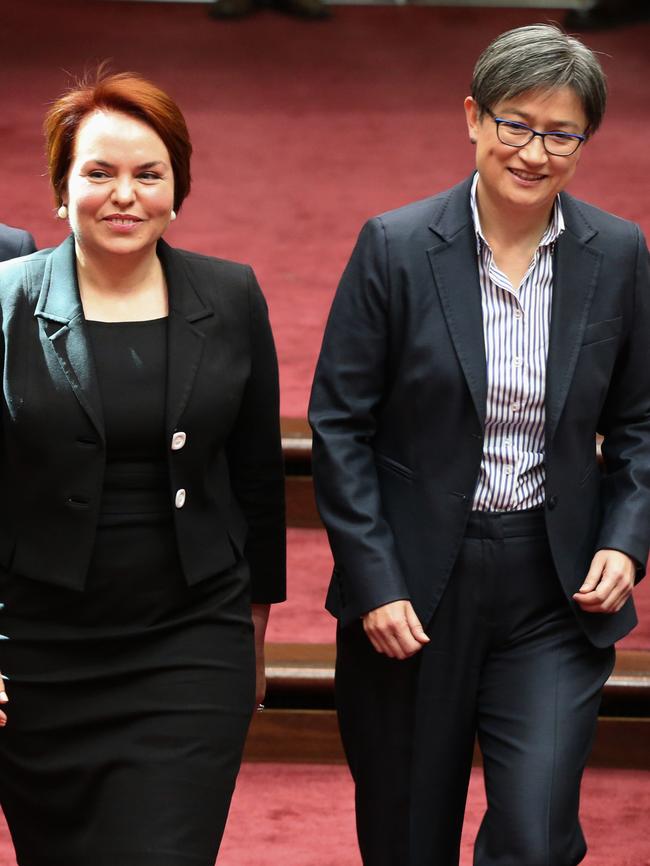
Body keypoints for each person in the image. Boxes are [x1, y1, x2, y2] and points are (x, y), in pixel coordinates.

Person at [309, 23, 650, 866]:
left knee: (536, 836)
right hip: (417, 589)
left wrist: (626, 538)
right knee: (408, 838)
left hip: (552, 586)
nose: (535, 152)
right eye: (516, 124)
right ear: (473, 117)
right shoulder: (394, 246)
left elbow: (641, 421)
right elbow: (339, 425)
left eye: (562, 132)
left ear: (585, 140)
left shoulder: (617, 252)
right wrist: (375, 581)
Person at [0, 71, 285, 865]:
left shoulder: (230, 297)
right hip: (40, 651)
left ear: (176, 189)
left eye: (147, 174)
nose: (123, 195)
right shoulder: (7, 300)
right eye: (98, 173)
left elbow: (260, 479)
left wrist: (253, 635)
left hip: (188, 644)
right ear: (62, 189)